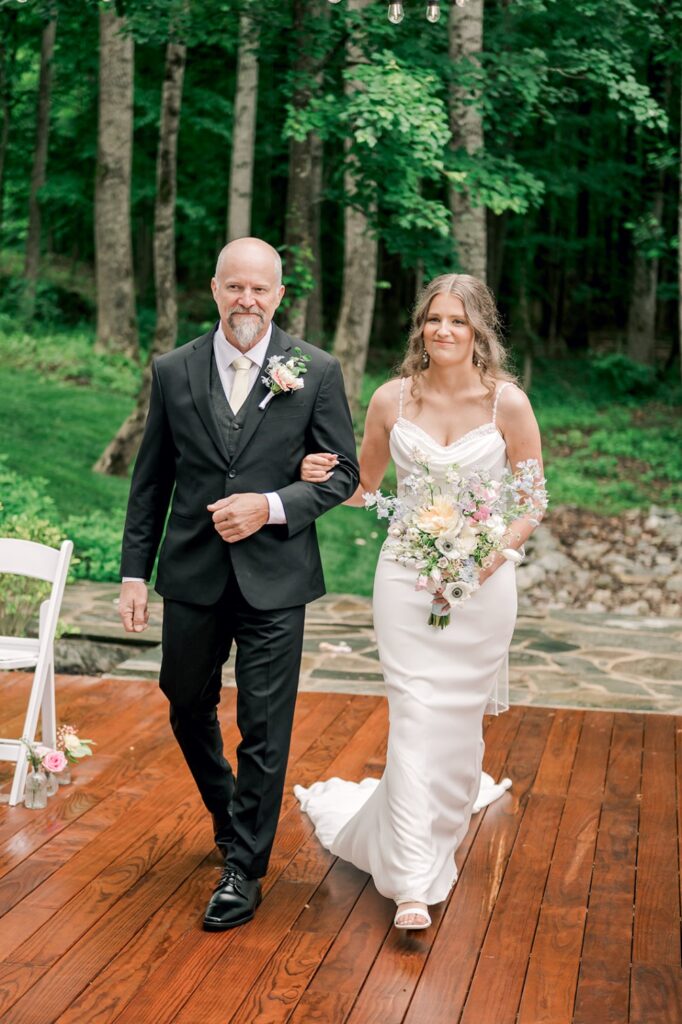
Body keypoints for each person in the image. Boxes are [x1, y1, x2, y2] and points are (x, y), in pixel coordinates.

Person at [118, 237, 359, 931]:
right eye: (235, 287)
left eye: (260, 289)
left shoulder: (312, 370)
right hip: (192, 572)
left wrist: (273, 505)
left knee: (264, 726)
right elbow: (151, 480)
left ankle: (244, 868)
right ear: (216, 290)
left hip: (276, 581)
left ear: (279, 295)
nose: (247, 300)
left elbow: (341, 474)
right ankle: (231, 814)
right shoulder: (173, 369)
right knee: (182, 699)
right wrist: (135, 572)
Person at [294, 273, 544, 930]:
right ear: (420, 327)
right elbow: (364, 485)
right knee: (412, 715)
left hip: (483, 588)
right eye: (434, 319)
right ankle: (410, 882)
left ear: (478, 330)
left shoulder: (507, 405)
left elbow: (531, 502)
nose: (444, 331)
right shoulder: (390, 399)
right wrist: (317, 470)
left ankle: (441, 819)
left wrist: (484, 559)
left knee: (457, 726)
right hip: (405, 576)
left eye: (458, 321)